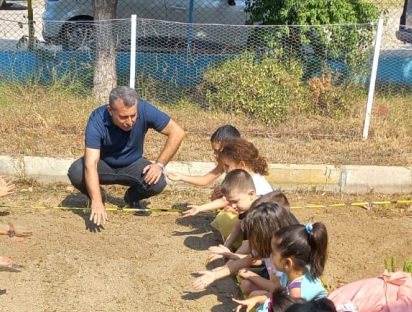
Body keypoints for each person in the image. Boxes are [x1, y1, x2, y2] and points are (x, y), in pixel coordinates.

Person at [67, 86, 186, 227]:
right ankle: (98, 194)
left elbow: (177, 132)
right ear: (110, 111)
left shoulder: (144, 109)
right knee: (76, 171)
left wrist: (159, 165)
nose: (130, 121)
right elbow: (91, 163)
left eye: (133, 115)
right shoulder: (97, 119)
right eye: (123, 117)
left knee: (158, 181)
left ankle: (132, 197)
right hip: (103, 164)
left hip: (133, 164)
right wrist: (96, 201)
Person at [191, 201, 297, 292]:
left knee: (253, 292)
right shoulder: (266, 248)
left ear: (266, 235)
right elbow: (245, 261)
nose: (251, 239)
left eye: (254, 235)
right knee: (246, 285)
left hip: (285, 291)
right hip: (275, 284)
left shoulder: (281, 256)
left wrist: (250, 275)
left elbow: (276, 288)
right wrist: (214, 275)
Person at [180, 138, 272, 219]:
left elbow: (224, 201)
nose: (225, 170)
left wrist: (200, 208)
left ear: (241, 165)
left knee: (225, 219)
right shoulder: (249, 177)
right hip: (258, 218)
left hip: (262, 222)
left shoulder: (252, 181)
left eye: (227, 166)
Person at [164, 125, 240, 189]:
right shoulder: (224, 163)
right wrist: (181, 177)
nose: (214, 154)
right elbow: (205, 181)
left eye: (218, 151)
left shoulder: (242, 165)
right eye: (214, 150)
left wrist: (202, 207)